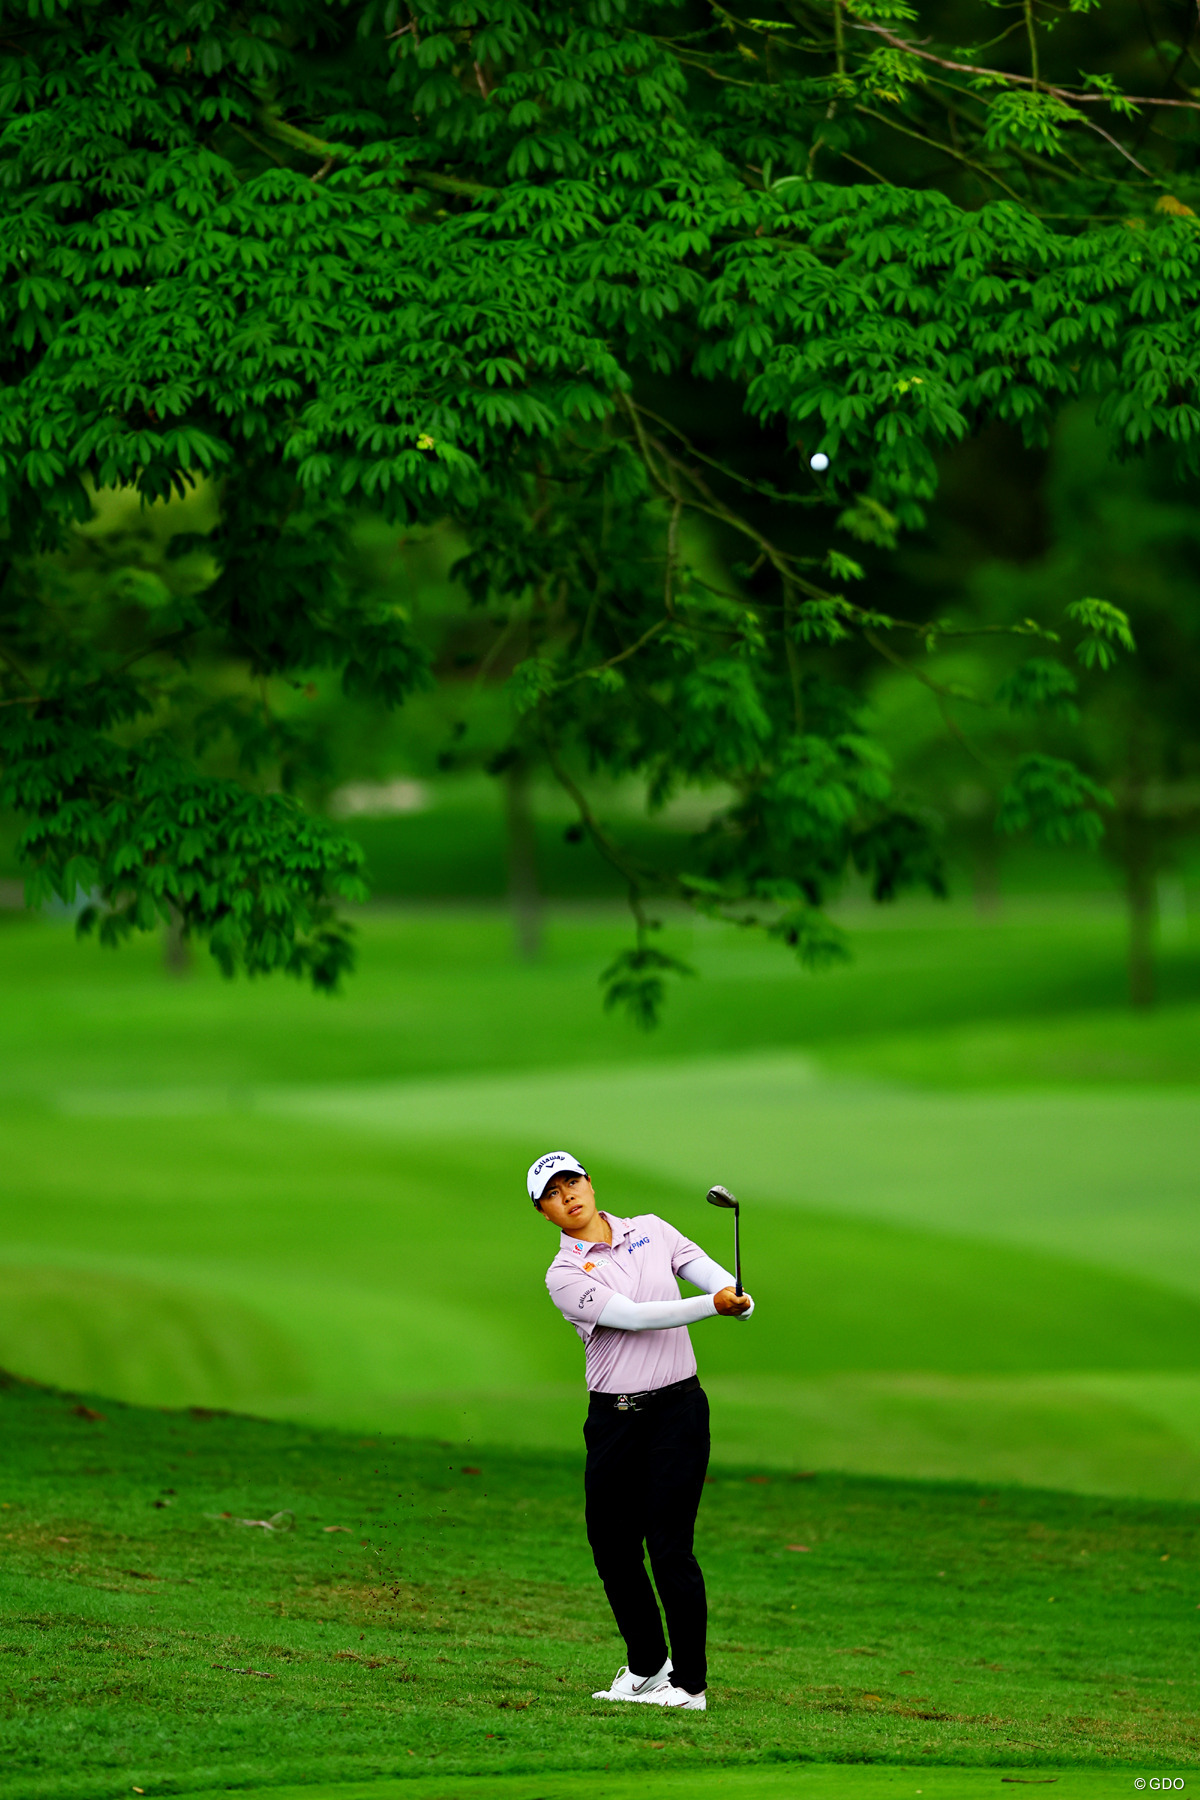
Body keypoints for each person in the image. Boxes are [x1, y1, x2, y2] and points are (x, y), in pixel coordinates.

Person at [528, 1148, 754, 1712]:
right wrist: (715, 1305)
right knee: (612, 1548)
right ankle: (648, 1666)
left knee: (670, 1546)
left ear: (590, 1183)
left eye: (571, 1182)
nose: (567, 1196)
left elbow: (710, 1274)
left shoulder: (652, 1229)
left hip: (678, 1412)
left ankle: (690, 1686)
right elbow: (631, 1316)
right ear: (544, 1213)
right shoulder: (563, 1275)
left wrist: (737, 1296)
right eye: (552, 1194)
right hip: (615, 1419)